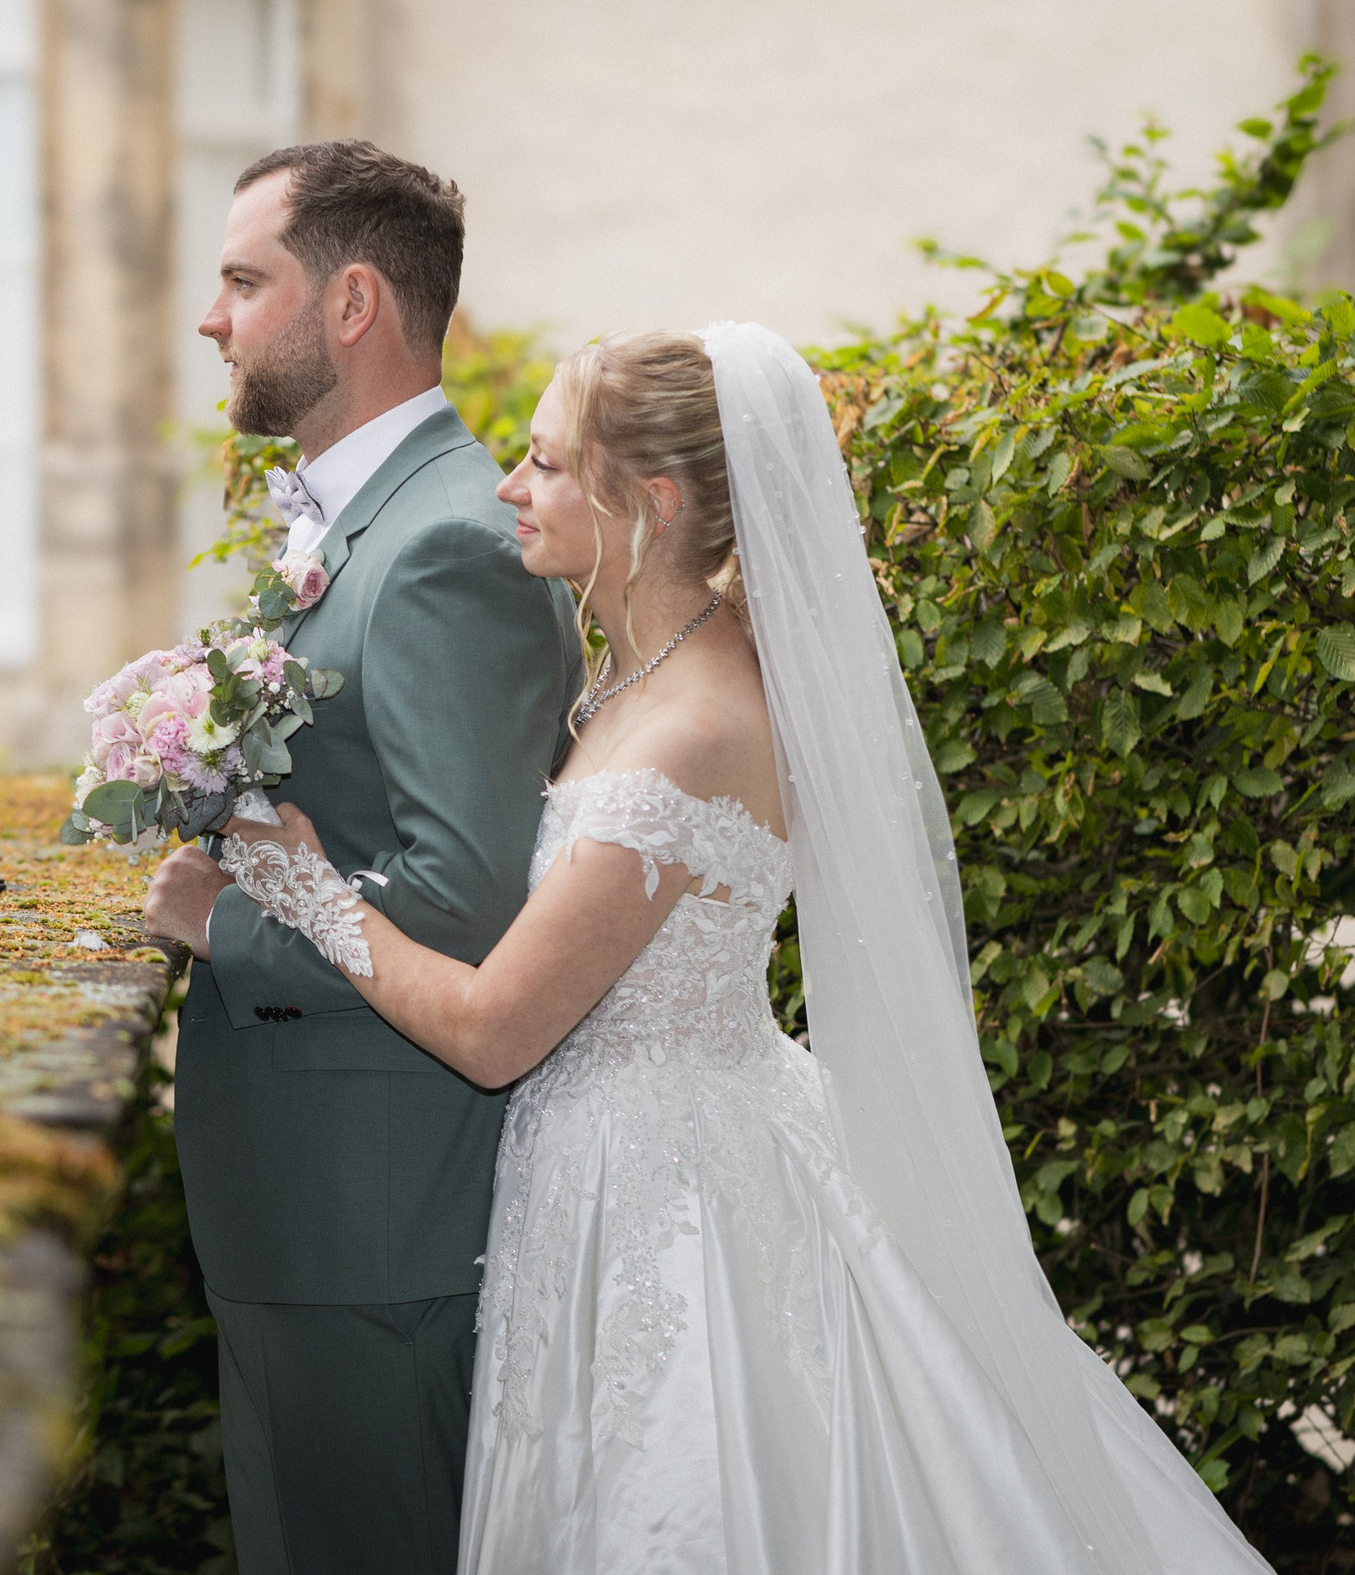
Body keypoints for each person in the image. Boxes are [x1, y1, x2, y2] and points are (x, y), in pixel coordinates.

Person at [177, 325, 1276, 1574]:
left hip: (669, 1197)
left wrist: (301, 890)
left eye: (542, 466)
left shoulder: (689, 730)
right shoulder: (648, 671)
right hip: (637, 1150)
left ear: (645, 504)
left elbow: (493, 1033)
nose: (506, 488)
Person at [140, 141, 581, 1575]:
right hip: (303, 1212)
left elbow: (468, 901)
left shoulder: (449, 545)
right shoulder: (349, 523)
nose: (213, 319)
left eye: (243, 280)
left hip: (378, 1223)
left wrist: (226, 925)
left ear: (354, 304)